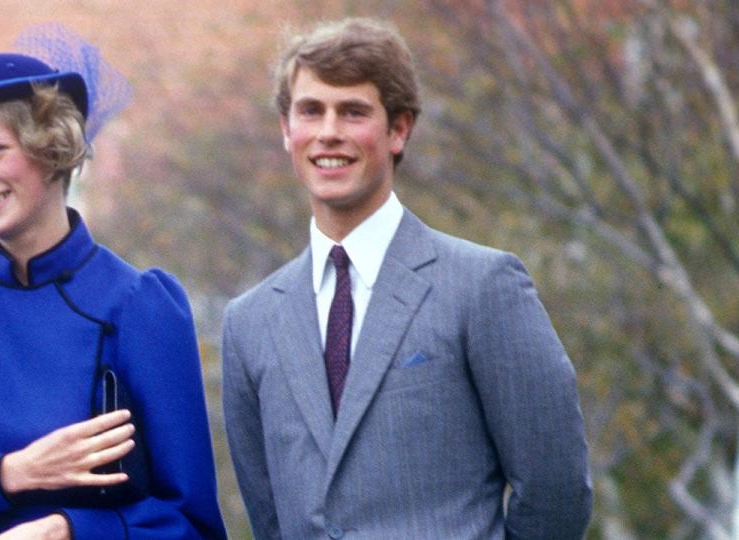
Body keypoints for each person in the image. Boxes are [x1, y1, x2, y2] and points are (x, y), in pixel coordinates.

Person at [221, 17, 592, 539]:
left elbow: (556, 490)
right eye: (311, 111)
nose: (329, 132)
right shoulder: (250, 322)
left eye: (353, 112)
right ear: (286, 130)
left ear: (398, 129)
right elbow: (270, 519)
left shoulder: (482, 287)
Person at [0, 25, 226, 540]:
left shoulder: (139, 305)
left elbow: (191, 525)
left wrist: (67, 530)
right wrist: (11, 474)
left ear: (51, 149)